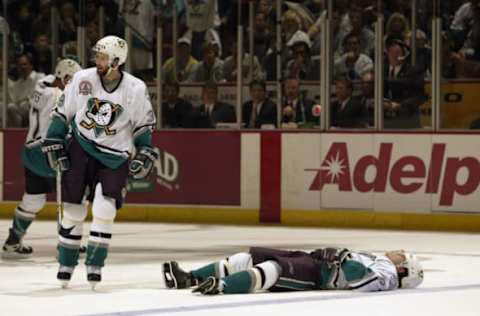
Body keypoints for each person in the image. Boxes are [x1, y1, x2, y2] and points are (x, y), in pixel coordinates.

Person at [42, 35, 157, 289]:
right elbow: (63, 112)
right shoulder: (83, 78)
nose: (98, 60)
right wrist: (54, 139)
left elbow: (143, 125)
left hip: (115, 155)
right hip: (80, 146)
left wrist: (145, 149)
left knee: (105, 209)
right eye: (98, 55)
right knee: (73, 210)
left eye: (103, 57)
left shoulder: (135, 88)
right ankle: (66, 262)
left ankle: (95, 263)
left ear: (117, 61)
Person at [2, 59, 82, 259]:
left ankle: (13, 240)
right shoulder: (58, 97)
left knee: (34, 198)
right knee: (73, 196)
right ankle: (67, 243)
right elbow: (53, 128)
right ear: (64, 78)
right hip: (48, 150)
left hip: (31, 151)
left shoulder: (42, 85)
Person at [163, 247, 424, 295]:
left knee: (273, 269)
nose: (398, 250)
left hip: (318, 274)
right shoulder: (383, 261)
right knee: (248, 257)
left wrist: (344, 259)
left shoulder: (388, 275)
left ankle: (221, 286)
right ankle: (189, 277)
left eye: (403, 255)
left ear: (403, 268)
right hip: (314, 260)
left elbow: (363, 282)